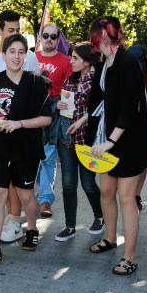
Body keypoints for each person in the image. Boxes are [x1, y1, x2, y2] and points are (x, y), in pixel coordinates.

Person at [0, 34, 52, 267]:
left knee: (26, 195)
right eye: (12, 51)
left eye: (21, 52)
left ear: (26, 55)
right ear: (3, 54)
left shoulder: (37, 83)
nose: (17, 56)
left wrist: (19, 124)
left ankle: (31, 228)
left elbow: (47, 119)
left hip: (27, 148)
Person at [86, 16, 147, 276]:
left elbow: (130, 108)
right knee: (106, 192)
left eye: (98, 36)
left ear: (104, 36)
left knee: (126, 197)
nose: (97, 41)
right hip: (108, 139)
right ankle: (110, 238)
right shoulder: (105, 63)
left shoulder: (127, 63)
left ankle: (130, 256)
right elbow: (100, 101)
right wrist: (85, 121)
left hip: (130, 141)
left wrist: (111, 141)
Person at [0, 11, 40, 244]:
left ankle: (17, 222)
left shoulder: (30, 57)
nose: (15, 34)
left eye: (18, 30)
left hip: (25, 135)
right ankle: (7, 226)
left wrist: (25, 122)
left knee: (21, 187)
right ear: (0, 31)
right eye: (10, 30)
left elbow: (36, 93)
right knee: (0, 185)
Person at [54, 42, 104, 241]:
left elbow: (100, 110)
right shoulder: (70, 80)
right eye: (71, 57)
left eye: (75, 58)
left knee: (88, 183)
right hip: (67, 139)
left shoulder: (98, 81)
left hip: (87, 140)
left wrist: (81, 119)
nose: (71, 61)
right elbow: (66, 108)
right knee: (67, 184)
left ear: (87, 61)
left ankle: (100, 216)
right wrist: (59, 105)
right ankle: (70, 226)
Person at [35, 23, 73, 219]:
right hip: (31, 114)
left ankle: (45, 200)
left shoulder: (66, 61)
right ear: (40, 37)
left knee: (48, 157)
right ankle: (34, 194)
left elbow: (70, 91)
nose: (49, 39)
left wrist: (63, 108)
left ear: (58, 40)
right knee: (32, 158)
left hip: (54, 114)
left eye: (53, 37)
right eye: (46, 35)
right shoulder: (30, 58)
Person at [127, 44, 147, 212]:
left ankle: (135, 194)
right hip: (130, 125)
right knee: (138, 163)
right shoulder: (124, 72)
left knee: (141, 163)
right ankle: (132, 194)